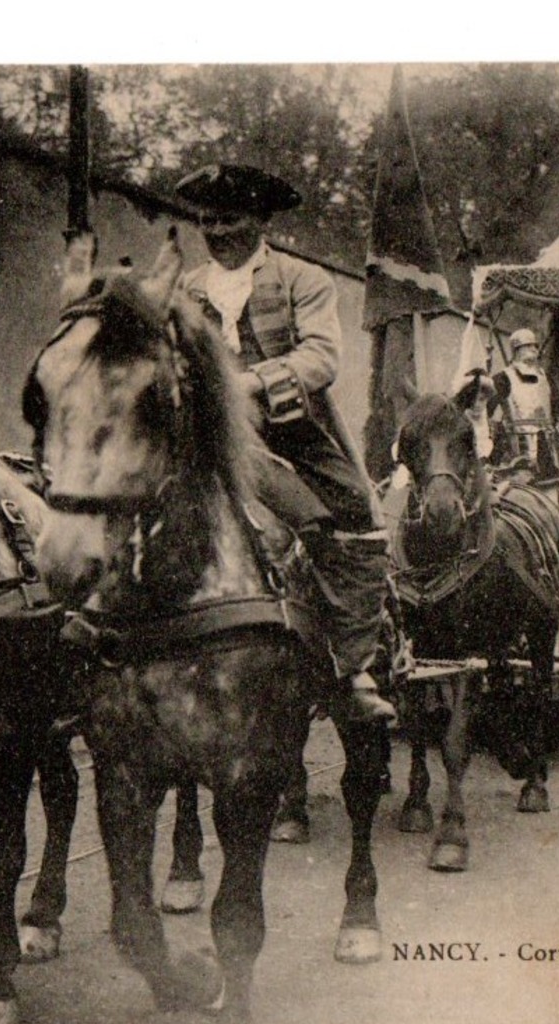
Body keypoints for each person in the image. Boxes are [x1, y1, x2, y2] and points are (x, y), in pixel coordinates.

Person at [174, 162, 394, 724]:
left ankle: (351, 664)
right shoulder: (185, 288)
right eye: (207, 221)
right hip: (199, 429)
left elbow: (321, 356)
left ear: (259, 220)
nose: (217, 232)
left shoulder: (303, 280)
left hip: (285, 425)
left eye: (230, 220)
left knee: (353, 514)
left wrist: (247, 383)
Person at [490, 329, 559, 481]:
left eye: (535, 346)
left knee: (550, 484)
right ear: (516, 349)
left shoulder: (545, 377)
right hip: (516, 443)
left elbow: (558, 407)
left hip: (546, 443)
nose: (534, 349)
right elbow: (488, 408)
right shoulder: (503, 377)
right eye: (528, 345)